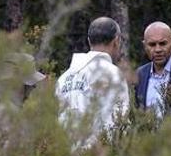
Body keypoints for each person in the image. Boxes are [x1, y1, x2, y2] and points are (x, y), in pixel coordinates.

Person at [55, 17, 130, 148]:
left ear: (89, 41)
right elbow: (117, 123)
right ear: (117, 41)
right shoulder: (113, 74)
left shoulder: (63, 78)